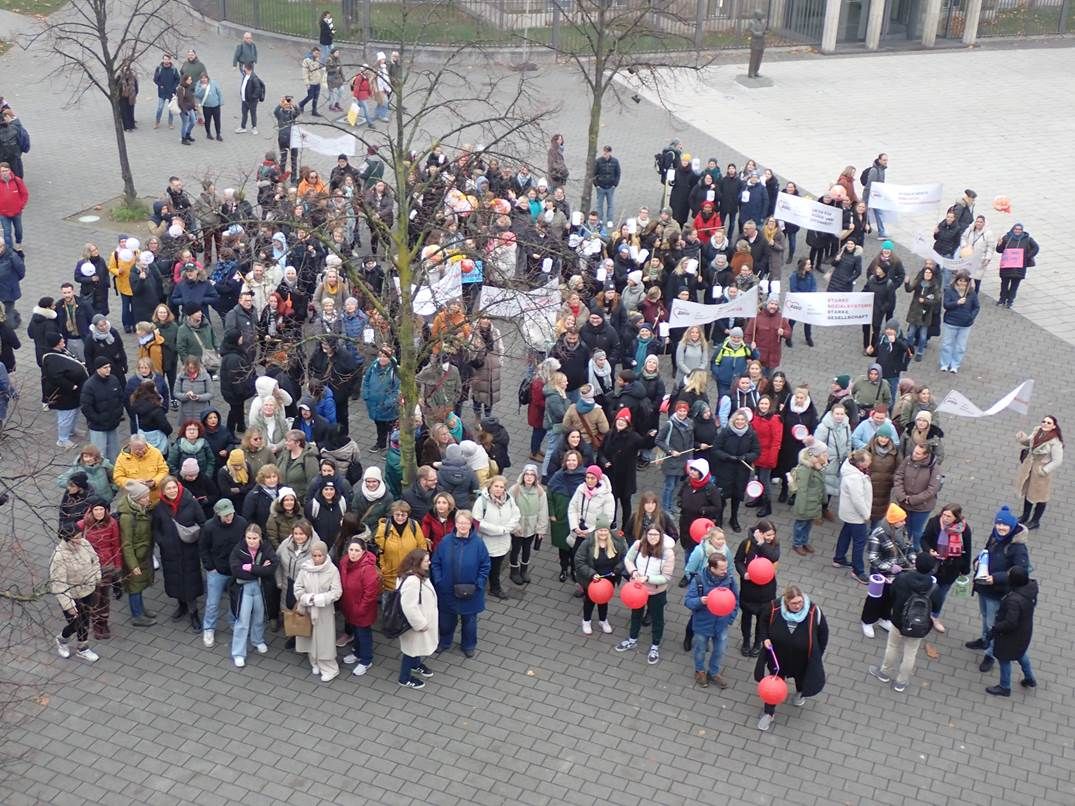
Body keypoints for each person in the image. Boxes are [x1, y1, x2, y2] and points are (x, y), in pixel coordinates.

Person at [754, 585, 828, 732]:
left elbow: (823, 634)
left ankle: (800, 693)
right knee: (772, 686)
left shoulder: (814, 611)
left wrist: (817, 655)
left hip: (802, 659)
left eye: (800, 602)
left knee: (801, 679)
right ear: (786, 601)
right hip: (778, 658)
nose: (798, 606)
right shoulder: (774, 607)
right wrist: (764, 638)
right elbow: (762, 622)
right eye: (794, 603)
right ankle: (769, 713)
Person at [967, 506, 1029, 674]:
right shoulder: (995, 536)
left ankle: (990, 654)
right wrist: (977, 561)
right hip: (984, 587)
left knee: (993, 623)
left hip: (998, 592)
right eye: (998, 524)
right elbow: (986, 551)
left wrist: (996, 578)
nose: (1001, 528)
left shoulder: (1018, 548)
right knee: (986, 618)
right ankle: (985, 639)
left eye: (1004, 526)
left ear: (1012, 526)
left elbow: (1020, 572)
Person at [868, 553, 940, 693]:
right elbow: (936, 606)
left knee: (892, 646)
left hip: (898, 620)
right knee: (910, 653)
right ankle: (901, 682)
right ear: (931, 569)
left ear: (916, 564)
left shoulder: (902, 579)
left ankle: (884, 673)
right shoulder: (933, 587)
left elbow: (892, 594)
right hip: (918, 624)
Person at [432, 510, 491, 658]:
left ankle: (469, 645)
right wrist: (440, 581)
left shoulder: (478, 543)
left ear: (471, 524)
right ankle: (445, 642)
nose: (463, 526)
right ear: (455, 524)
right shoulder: (446, 541)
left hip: (472, 591)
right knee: (445, 622)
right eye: (460, 522)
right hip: (447, 591)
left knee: (469, 622)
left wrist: (479, 583)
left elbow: (485, 565)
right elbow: (436, 563)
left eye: (466, 523)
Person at [153, 475, 206, 632]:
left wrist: (198, 542)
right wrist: (162, 542)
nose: (172, 491)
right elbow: (156, 528)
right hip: (169, 552)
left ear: (179, 487)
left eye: (174, 487)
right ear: (163, 491)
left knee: (190, 582)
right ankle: (181, 605)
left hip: (189, 550)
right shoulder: (159, 507)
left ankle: (193, 613)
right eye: (168, 488)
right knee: (175, 580)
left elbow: (202, 522)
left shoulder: (190, 502)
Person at [616, 525, 676, 664]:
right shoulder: (638, 545)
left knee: (657, 618)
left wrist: (647, 578)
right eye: (650, 534)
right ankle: (632, 639)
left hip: (656, 592)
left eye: (656, 535)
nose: (652, 538)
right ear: (646, 535)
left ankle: (655, 646)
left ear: (660, 536)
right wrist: (634, 572)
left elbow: (666, 577)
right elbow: (628, 559)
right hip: (637, 589)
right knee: (635, 614)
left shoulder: (667, 553)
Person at [684, 553, 738, 689]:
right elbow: (688, 601)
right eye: (722, 569)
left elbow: (736, 601)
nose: (725, 571)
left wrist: (730, 619)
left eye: (726, 568)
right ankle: (700, 671)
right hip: (703, 624)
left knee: (720, 650)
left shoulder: (730, 580)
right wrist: (700, 601)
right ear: (712, 568)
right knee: (700, 649)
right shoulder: (698, 581)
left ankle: (713, 672)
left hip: (722, 624)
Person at [49, 528, 103, 663]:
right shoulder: (59, 556)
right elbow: (58, 583)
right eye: (76, 538)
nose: (80, 540)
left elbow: (94, 560)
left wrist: (97, 578)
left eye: (80, 536)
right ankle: (62, 639)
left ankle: (82, 649)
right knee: (76, 623)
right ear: (68, 538)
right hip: (72, 595)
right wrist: (69, 605)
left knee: (85, 621)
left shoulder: (84, 543)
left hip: (88, 591)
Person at [228, 523, 278, 668]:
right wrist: (260, 570)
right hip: (244, 588)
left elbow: (273, 567)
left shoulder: (266, 547)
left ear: (260, 538)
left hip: (260, 588)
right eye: (248, 538)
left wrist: (251, 568)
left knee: (259, 616)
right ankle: (238, 653)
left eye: (254, 538)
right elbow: (236, 571)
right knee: (242, 621)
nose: (251, 541)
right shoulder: (238, 549)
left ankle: (257, 640)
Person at [861, 503, 914, 638]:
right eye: (901, 520)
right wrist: (890, 567)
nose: (904, 522)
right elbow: (873, 558)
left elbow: (908, 546)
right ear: (893, 521)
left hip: (898, 573)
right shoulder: (878, 534)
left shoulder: (902, 529)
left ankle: (884, 618)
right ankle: (867, 621)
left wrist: (913, 559)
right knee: (875, 599)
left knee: (890, 597)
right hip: (880, 574)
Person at [198, 498, 246, 647]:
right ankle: (209, 628)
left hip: (235, 570)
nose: (229, 517)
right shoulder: (209, 527)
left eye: (230, 514)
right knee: (212, 602)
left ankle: (233, 623)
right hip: (217, 571)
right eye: (225, 515)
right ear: (217, 514)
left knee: (236, 600)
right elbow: (203, 548)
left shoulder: (242, 523)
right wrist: (210, 567)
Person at [293, 538, 343, 681]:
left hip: (324, 611)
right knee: (309, 636)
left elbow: (336, 592)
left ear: (325, 554)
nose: (317, 558)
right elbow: (297, 587)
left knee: (324, 640)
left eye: (320, 555)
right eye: (314, 555)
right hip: (308, 609)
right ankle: (314, 661)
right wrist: (305, 598)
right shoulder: (305, 568)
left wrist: (320, 599)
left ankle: (330, 668)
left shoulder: (332, 570)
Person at [985, 565, 1038, 696]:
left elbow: (1010, 622)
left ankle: (1005, 686)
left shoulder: (1014, 600)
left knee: (1004, 659)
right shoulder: (1030, 589)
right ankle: (1030, 678)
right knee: (1021, 654)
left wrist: (996, 628)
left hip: (1011, 636)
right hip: (1024, 631)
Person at [920, 504, 972, 633]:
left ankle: (934, 616)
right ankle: (920, 612)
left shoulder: (963, 529)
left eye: (949, 516)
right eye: (944, 514)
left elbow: (967, 549)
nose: (945, 518)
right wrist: (929, 550)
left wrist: (965, 569)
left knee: (940, 594)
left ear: (956, 517)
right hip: (933, 565)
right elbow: (924, 539)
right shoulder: (934, 522)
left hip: (951, 568)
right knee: (925, 590)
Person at [574, 521, 627, 636]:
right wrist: (592, 574)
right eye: (600, 530)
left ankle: (603, 620)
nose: (603, 533)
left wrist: (618, 568)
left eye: (605, 530)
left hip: (609, 578)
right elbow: (579, 561)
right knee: (589, 600)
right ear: (596, 531)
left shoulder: (616, 542)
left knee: (604, 600)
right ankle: (586, 620)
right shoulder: (588, 543)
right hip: (591, 579)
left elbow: (625, 557)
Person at [397, 548, 439, 689]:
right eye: (426, 561)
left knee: (415, 648)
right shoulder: (413, 581)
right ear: (418, 562)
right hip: (415, 626)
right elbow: (409, 607)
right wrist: (420, 624)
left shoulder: (415, 575)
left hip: (418, 623)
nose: (429, 563)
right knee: (410, 651)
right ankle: (405, 678)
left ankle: (416, 665)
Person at [116, 480, 156, 626]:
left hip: (142, 554)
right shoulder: (127, 517)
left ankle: (140, 609)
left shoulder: (141, 509)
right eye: (145, 497)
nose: (148, 498)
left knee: (139, 585)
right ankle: (136, 615)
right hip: (134, 557)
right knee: (134, 586)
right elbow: (126, 544)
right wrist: (133, 566)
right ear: (137, 499)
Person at [339, 536, 379, 676]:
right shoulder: (344, 562)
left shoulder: (367, 569)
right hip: (349, 606)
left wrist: (359, 609)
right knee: (356, 632)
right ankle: (357, 652)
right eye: (351, 550)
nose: (353, 553)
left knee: (363, 634)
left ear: (363, 551)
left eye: (357, 550)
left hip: (362, 610)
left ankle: (366, 660)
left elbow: (370, 594)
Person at [1014, 415, 1063, 530]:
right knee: (1028, 492)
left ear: (1054, 426)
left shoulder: (1055, 442)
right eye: (1044, 421)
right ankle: (1025, 516)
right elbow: (1029, 443)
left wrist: (1044, 470)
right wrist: (1022, 438)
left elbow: (1057, 461)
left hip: (1041, 472)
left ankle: (1035, 521)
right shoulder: (1037, 431)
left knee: (1040, 496)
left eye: (1049, 423)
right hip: (1030, 467)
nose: (1045, 424)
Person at [892, 443, 941, 552]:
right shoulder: (908, 460)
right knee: (904, 528)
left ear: (925, 455)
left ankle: (915, 550)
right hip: (904, 503)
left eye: (918, 453)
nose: (914, 454)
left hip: (922, 507)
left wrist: (912, 500)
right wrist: (901, 495)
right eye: (914, 451)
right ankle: (903, 548)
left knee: (916, 531)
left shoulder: (934, 468)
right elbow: (899, 476)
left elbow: (932, 490)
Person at [373, 500, 427, 593]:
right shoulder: (384, 528)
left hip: (411, 574)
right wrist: (383, 568)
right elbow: (379, 550)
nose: (400, 518)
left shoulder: (414, 526)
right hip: (389, 575)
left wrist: (417, 568)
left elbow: (422, 548)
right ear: (392, 514)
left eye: (403, 515)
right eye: (397, 515)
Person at [508, 465, 548, 586]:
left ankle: (524, 570)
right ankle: (514, 571)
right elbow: (509, 509)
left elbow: (543, 511)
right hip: (518, 527)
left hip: (531, 527)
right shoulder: (515, 489)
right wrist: (514, 527)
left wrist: (541, 529)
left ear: (536, 477)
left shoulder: (540, 491)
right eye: (527, 474)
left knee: (527, 549)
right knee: (515, 549)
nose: (529, 477)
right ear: (523, 475)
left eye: (532, 475)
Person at [788, 444, 828, 556]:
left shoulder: (819, 466)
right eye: (823, 454)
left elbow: (822, 485)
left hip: (814, 502)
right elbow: (802, 490)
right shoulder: (805, 469)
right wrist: (800, 507)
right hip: (805, 502)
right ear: (816, 455)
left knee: (808, 523)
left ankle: (804, 542)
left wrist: (823, 499)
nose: (826, 456)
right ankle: (797, 544)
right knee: (801, 524)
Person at [939, 271, 979, 374]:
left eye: (965, 281)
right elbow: (946, 305)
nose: (962, 283)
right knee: (947, 344)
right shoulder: (949, 291)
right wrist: (957, 302)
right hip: (951, 322)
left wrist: (971, 317)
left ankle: (955, 364)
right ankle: (945, 363)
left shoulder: (971, 293)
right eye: (960, 281)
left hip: (965, 324)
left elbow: (976, 307)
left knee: (960, 346)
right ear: (956, 281)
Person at [994, 223, 1039, 308]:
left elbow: (1036, 248)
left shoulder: (1028, 239)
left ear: (1022, 231)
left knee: (1014, 285)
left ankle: (1010, 301)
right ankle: (1002, 299)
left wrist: (1026, 256)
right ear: (1013, 229)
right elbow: (999, 250)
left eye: (1019, 229)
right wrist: (999, 244)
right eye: (1016, 229)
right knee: (1004, 284)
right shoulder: (1006, 238)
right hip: (1007, 267)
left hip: (1019, 268)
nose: (1017, 231)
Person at [0, 163, 28, 250]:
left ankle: (18, 242)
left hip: (16, 212)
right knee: (7, 232)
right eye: (2, 171)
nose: (4, 173)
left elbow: (25, 194)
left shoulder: (17, 180)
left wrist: (21, 205)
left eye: (6, 170)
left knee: (18, 230)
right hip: (3, 213)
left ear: (10, 170)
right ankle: (9, 249)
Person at [152, 53, 180, 130]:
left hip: (171, 92)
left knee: (171, 109)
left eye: (167, 59)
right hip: (162, 92)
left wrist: (174, 87)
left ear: (170, 60)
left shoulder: (174, 69)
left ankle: (170, 123)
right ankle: (157, 122)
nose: (166, 61)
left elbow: (178, 79)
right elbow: (155, 79)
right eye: (164, 59)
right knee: (160, 108)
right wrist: (160, 85)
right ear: (162, 60)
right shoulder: (159, 68)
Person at [593, 145, 620, 223]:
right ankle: (600, 219)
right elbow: (594, 173)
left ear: (610, 152)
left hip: (610, 187)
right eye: (604, 151)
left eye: (607, 152)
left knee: (610, 204)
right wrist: (596, 185)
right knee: (599, 205)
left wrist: (615, 184)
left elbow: (618, 173)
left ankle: (609, 220)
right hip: (600, 186)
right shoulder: (598, 161)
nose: (605, 153)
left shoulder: (615, 161)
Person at [236, 63, 264, 135]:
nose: (243, 69)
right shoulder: (245, 76)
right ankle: (243, 127)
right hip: (244, 100)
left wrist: (252, 97)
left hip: (251, 101)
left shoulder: (254, 78)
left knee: (253, 114)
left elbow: (258, 89)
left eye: (244, 68)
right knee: (244, 114)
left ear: (247, 69)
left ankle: (254, 127)